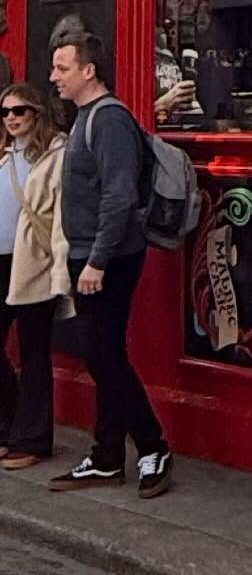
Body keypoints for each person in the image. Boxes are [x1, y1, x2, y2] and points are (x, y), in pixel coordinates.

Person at [47, 33, 172, 496]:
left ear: (89, 70)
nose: (53, 77)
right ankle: (106, 457)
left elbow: (119, 196)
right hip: (90, 253)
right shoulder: (87, 117)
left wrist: (97, 260)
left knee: (103, 357)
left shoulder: (110, 119)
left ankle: (153, 445)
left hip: (109, 258)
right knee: (104, 357)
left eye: (62, 68)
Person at [0, 83, 72, 469]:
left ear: (36, 113)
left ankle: (32, 438)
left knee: (33, 350)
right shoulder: (4, 153)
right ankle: (7, 423)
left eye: (19, 111)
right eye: (5, 112)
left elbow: (60, 217)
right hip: (0, 261)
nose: (11, 118)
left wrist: (61, 273)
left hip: (33, 261)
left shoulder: (56, 154)